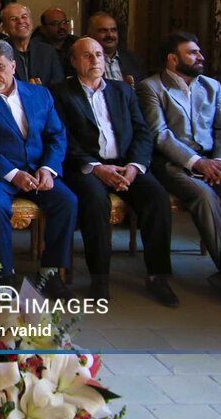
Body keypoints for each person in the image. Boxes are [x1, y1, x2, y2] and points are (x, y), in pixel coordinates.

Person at [52, 38, 177, 306]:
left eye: (98, 54)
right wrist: (97, 168)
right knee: (95, 201)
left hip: (125, 164)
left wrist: (134, 166)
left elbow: (142, 132)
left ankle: (157, 276)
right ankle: (100, 278)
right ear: (73, 62)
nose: (95, 60)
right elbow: (62, 139)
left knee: (156, 196)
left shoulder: (122, 90)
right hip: (86, 167)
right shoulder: (61, 93)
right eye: (87, 55)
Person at [138, 32, 221, 306]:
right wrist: (196, 162)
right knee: (204, 195)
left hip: (214, 162)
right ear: (173, 59)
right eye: (192, 53)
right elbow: (160, 134)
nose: (201, 57)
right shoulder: (151, 87)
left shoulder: (212, 86)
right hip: (174, 164)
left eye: (199, 51)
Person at [0, 39, 76, 300]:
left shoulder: (40, 94)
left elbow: (56, 135)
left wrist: (47, 168)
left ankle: (49, 273)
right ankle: (5, 276)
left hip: (37, 170)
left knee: (67, 201)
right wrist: (13, 174)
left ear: (13, 66)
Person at [0, 3, 65, 84]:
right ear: (5, 27)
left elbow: (59, 86)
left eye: (24, 17)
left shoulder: (48, 52)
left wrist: (39, 90)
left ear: (31, 22)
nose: (20, 21)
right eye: (13, 19)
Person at [85, 12, 146, 84]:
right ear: (90, 34)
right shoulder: (82, 61)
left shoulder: (134, 60)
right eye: (103, 30)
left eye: (113, 30)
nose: (110, 35)